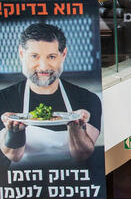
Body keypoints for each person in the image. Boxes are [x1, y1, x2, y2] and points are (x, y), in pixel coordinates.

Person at [0, 24, 102, 167]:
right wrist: (14, 130)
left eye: (51, 57)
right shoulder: (3, 99)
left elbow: (82, 154)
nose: (43, 66)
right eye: (34, 56)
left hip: (72, 184)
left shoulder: (88, 99)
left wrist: (76, 126)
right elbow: (13, 155)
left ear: (63, 55)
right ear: (22, 54)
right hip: (22, 185)